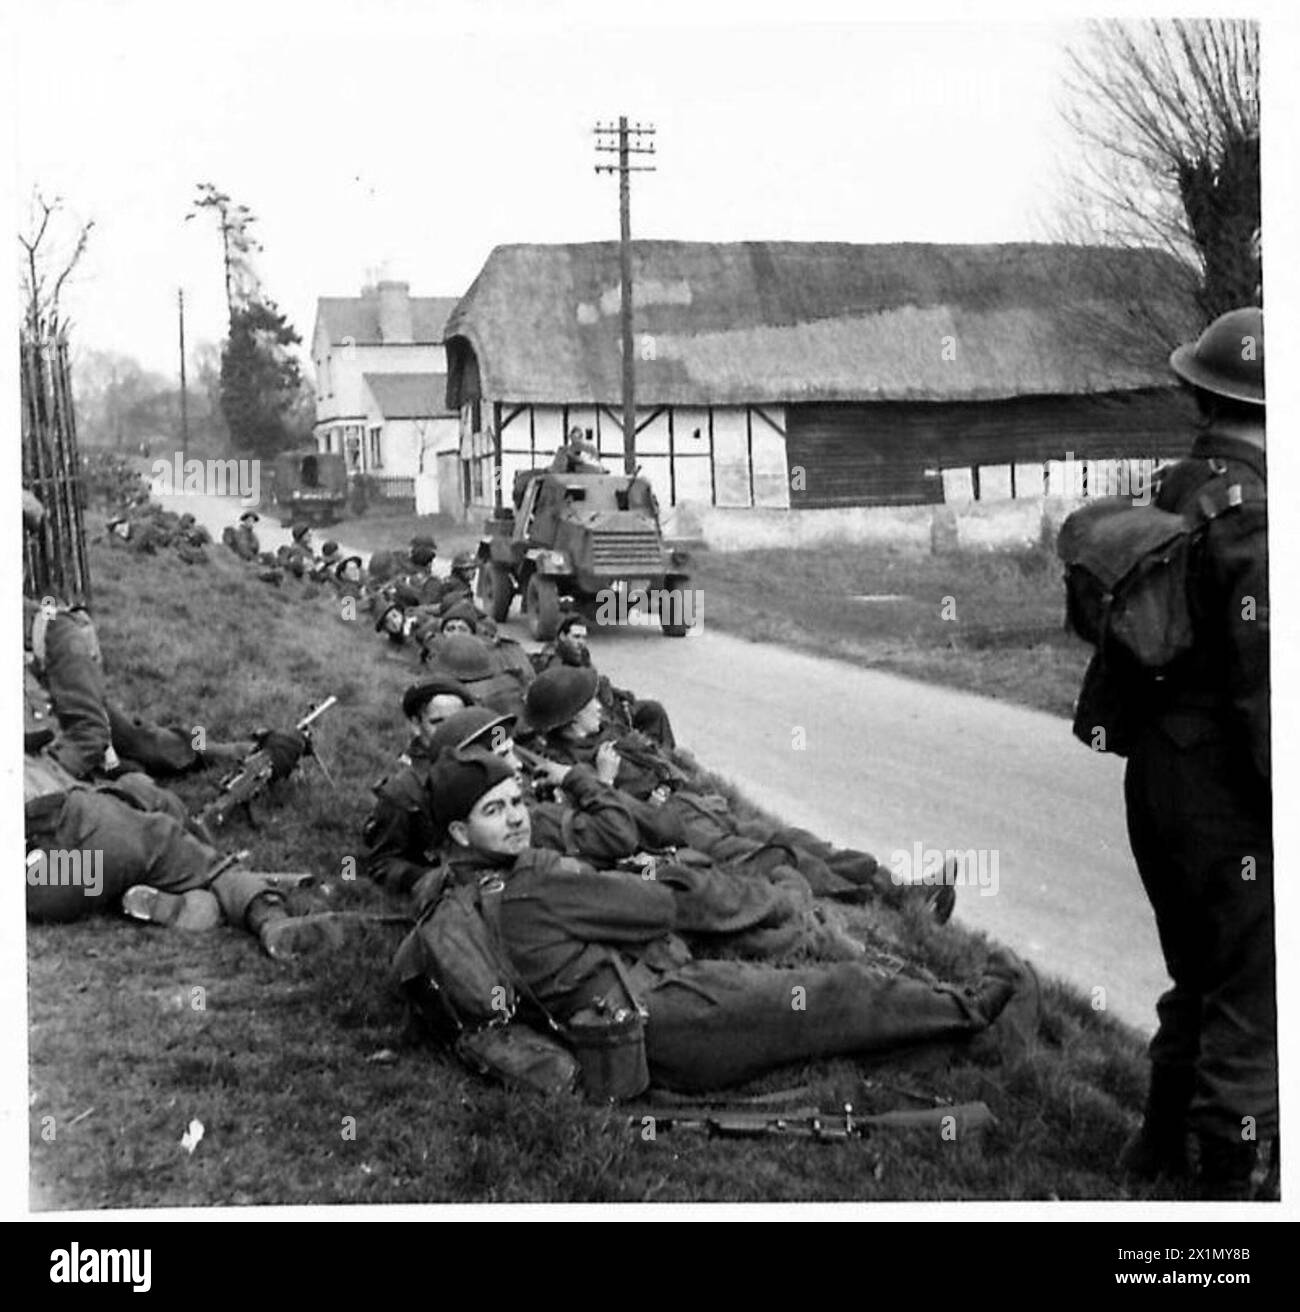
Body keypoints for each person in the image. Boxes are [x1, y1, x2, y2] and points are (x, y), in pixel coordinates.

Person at [417, 753, 1031, 1092]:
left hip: (622, 1014)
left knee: (794, 974)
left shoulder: (462, 892)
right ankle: (970, 1008)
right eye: (495, 812)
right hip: (663, 1020)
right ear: (458, 832)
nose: (518, 819)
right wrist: (617, 883)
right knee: (834, 993)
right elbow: (655, 908)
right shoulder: (534, 886)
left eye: (518, 803)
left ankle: (918, 1015)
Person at [1092, 307, 1274, 1200]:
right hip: (1224, 786)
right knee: (1256, 988)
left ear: (1202, 393)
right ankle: (1226, 1199)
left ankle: (1155, 1152)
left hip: (1155, 774)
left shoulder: (1172, 492)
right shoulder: (1257, 518)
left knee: (1196, 974)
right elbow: (1264, 686)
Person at [361, 678, 476, 894]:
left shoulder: (485, 765)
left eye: (457, 721)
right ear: (416, 725)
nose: (449, 731)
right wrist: (432, 880)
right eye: (438, 722)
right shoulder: (403, 791)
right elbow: (381, 864)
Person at [534, 613, 675, 747]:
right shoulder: (555, 665)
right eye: (576, 637)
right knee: (630, 741)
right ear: (563, 636)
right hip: (592, 718)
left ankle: (668, 754)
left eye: (584, 637)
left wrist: (620, 694)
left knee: (653, 710)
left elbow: (596, 681)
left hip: (609, 706)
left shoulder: (580, 654)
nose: (581, 642)